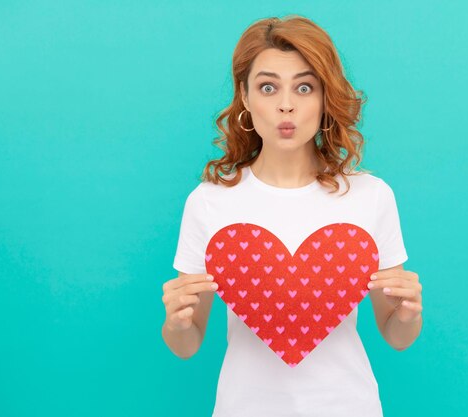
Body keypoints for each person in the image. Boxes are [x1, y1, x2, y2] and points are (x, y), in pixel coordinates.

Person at [161, 15, 423, 416]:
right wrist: (176, 324)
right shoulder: (210, 202)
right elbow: (188, 343)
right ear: (245, 98)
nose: (286, 104)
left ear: (324, 98)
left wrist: (407, 313)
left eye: (304, 87)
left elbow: (398, 336)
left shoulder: (371, 197)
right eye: (268, 87)